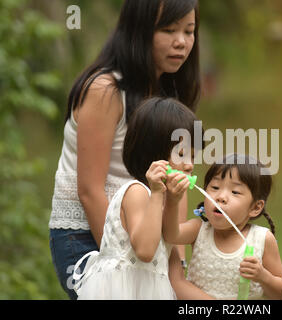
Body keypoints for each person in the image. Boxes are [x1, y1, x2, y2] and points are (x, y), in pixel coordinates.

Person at [49, 0, 200, 299]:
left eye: (189, 31)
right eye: (169, 30)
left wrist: (175, 263)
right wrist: (124, 263)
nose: (181, 42)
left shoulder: (170, 94)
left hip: (146, 233)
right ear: (139, 30)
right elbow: (89, 190)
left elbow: (175, 186)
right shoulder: (104, 91)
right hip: (88, 235)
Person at [72, 97, 210, 299]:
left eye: (193, 157)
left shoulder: (161, 201)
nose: (189, 165)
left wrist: (171, 200)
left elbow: (170, 243)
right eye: (181, 154)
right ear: (152, 154)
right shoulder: (137, 193)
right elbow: (145, 251)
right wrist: (156, 193)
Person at [163, 154, 282, 299]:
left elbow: (281, 293)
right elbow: (171, 235)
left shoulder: (262, 239)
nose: (220, 197)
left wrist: (263, 276)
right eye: (215, 187)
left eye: (235, 192)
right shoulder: (199, 230)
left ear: (255, 207)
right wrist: (172, 200)